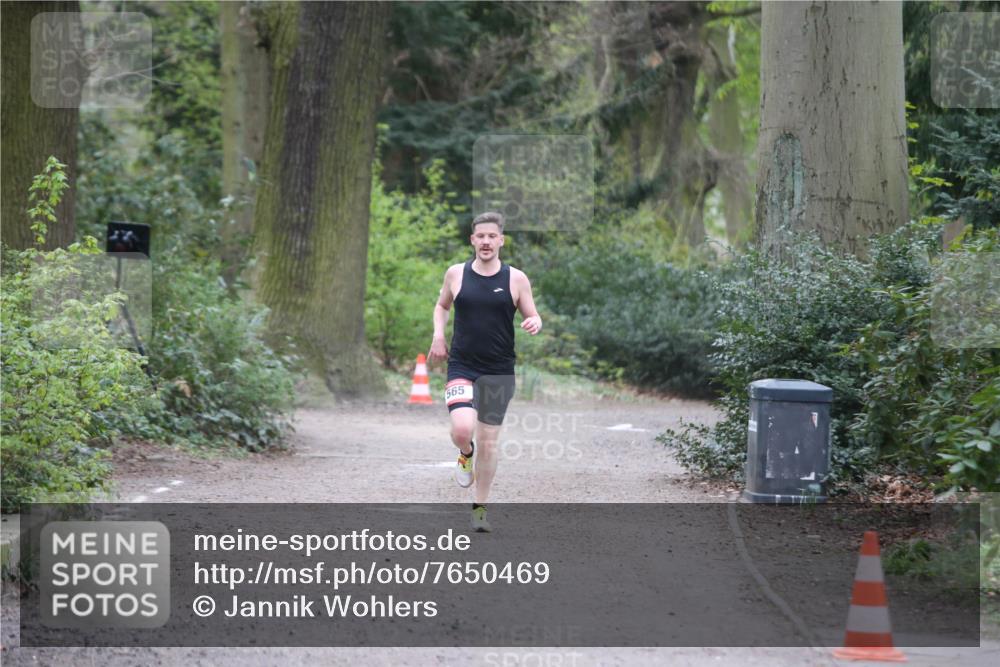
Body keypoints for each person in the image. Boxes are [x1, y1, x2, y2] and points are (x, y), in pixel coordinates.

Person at [427, 211, 542, 532]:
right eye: (481, 236)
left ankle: (480, 509)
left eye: (492, 236)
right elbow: (442, 306)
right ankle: (465, 453)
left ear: (501, 240)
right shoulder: (456, 274)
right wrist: (438, 335)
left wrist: (535, 322)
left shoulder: (516, 279)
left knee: (489, 443)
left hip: (498, 370)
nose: (486, 241)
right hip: (462, 364)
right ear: (472, 240)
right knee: (463, 430)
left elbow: (534, 314)